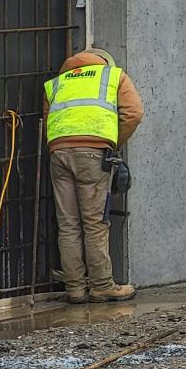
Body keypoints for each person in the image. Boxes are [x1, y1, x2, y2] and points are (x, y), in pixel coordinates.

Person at [43, 48, 144, 303]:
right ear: (104, 62)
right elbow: (133, 113)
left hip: (58, 154)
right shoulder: (113, 76)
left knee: (68, 225)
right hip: (93, 154)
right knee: (95, 223)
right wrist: (114, 144)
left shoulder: (56, 84)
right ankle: (101, 286)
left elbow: (48, 121)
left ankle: (75, 289)